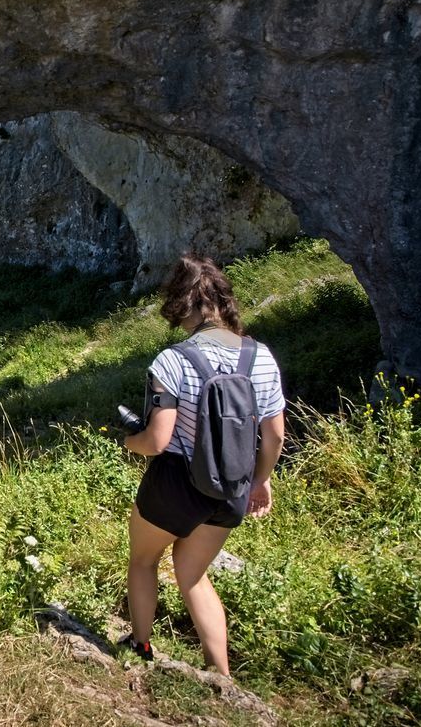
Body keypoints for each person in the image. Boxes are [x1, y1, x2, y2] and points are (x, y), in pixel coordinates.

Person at [119, 254, 286, 676]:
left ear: (180, 304)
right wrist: (259, 481)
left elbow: (158, 440)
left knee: (142, 560)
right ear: (223, 301)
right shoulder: (261, 357)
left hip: (176, 482)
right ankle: (221, 677)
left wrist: (129, 441)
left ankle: (140, 646)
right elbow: (276, 436)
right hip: (232, 486)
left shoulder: (173, 360)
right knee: (192, 575)